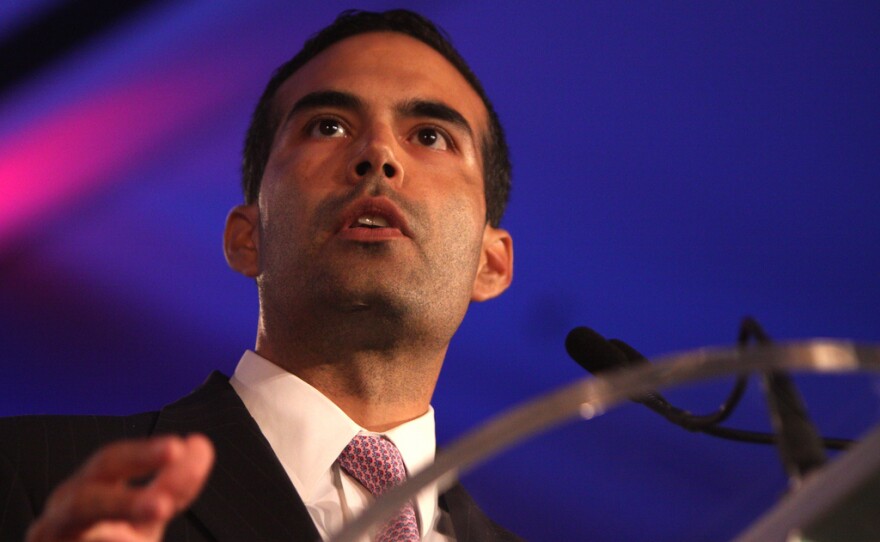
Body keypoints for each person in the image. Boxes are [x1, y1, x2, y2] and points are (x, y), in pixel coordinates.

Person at [0, 9, 517, 542]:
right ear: (247, 237)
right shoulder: (32, 481)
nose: (378, 154)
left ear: (491, 262)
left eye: (430, 136)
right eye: (328, 126)